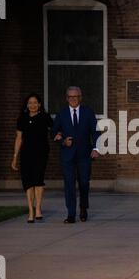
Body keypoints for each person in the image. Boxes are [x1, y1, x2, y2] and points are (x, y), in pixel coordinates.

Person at [52, 86, 100, 223]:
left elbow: (96, 132)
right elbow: (53, 132)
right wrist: (62, 141)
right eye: (71, 97)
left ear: (80, 98)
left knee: (84, 183)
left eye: (76, 96)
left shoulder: (88, 112)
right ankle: (71, 214)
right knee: (69, 184)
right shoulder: (61, 114)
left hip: (85, 154)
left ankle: (83, 208)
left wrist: (96, 148)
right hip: (67, 155)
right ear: (67, 98)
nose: (73, 99)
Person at [11, 93, 53, 223]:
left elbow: (55, 130)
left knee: (38, 180)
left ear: (39, 104)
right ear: (27, 105)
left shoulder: (45, 117)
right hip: (26, 154)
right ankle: (31, 210)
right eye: (30, 103)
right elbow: (19, 138)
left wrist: (60, 136)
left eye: (35, 102)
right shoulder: (22, 118)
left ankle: (38, 208)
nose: (32, 105)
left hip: (41, 153)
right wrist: (14, 157)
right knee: (28, 182)